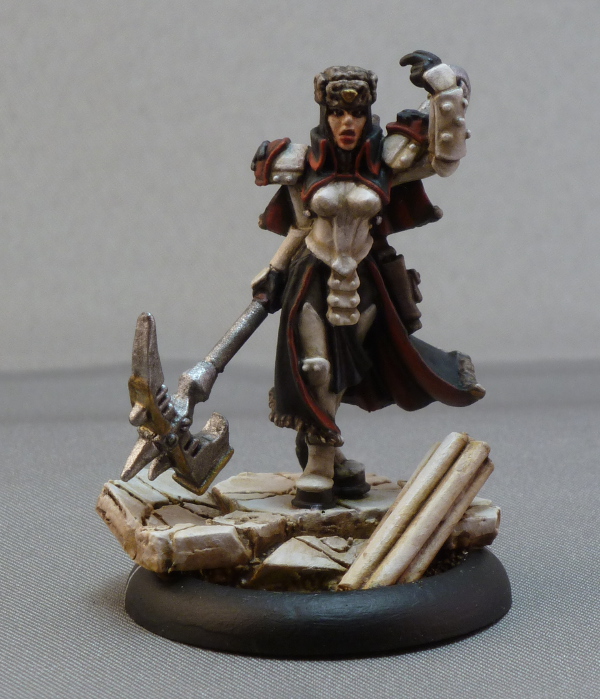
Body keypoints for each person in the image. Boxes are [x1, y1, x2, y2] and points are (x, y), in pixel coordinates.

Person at [250, 51, 485, 509]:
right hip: (311, 273)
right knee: (315, 367)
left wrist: (444, 88)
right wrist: (275, 268)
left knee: (343, 371)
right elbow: (300, 225)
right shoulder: (300, 163)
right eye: (338, 112)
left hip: (365, 277)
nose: (347, 122)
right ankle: (320, 464)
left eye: (357, 112)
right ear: (324, 112)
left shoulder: (387, 159)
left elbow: (444, 158)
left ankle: (323, 454)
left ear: (368, 112)